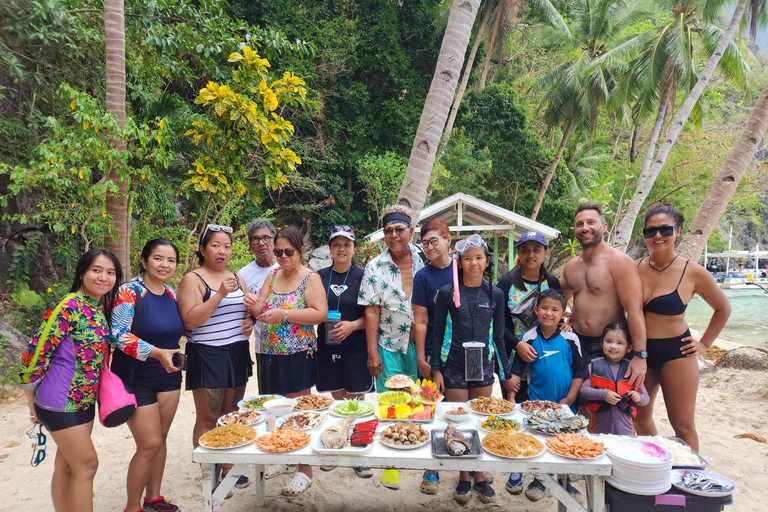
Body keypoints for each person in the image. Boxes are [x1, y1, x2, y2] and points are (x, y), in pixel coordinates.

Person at [20, 249, 122, 512]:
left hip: (84, 402)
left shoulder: (98, 308)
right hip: (59, 403)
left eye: (110, 273)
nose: (103, 277)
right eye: (96, 270)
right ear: (82, 273)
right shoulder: (70, 306)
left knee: (67, 466)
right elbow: (36, 351)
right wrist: (30, 400)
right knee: (87, 466)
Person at [633, 205, 730, 451]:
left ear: (677, 231)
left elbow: (723, 308)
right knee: (640, 419)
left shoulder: (693, 272)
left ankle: (691, 480)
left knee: (683, 426)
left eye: (665, 229)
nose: (657, 236)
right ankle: (656, 463)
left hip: (677, 353)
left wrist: (705, 344)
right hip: (640, 353)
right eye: (651, 230)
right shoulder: (633, 268)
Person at [432, 234, 516, 505]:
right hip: (454, 365)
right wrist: (436, 370)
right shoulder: (446, 294)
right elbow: (437, 335)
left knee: (479, 421)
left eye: (479, 258)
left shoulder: (496, 294)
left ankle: (479, 475)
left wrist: (505, 374)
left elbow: (499, 337)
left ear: (487, 261)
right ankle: (463, 477)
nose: (473, 263)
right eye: (467, 258)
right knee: (460, 421)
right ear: (459, 262)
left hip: (483, 367)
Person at [244, 226, 327, 496]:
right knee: (275, 410)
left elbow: (320, 314)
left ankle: (306, 469)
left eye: (288, 251)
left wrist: (285, 314)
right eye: (278, 251)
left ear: (301, 251)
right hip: (268, 351)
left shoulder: (310, 277)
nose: (282, 256)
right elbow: (261, 310)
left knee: (300, 412)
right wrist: (251, 301)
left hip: (297, 352)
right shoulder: (273, 274)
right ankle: (287, 458)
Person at [176, 224, 252, 491]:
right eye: (216, 245)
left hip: (237, 352)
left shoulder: (236, 277)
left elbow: (244, 311)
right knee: (208, 418)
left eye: (227, 246)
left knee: (232, 413)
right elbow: (190, 321)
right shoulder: (192, 279)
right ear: (202, 249)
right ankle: (210, 473)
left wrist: (250, 319)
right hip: (207, 353)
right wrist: (219, 294)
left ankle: (228, 467)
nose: (222, 251)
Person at [110, 239, 185, 512]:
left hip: (168, 376)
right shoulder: (129, 291)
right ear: (144, 261)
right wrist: (156, 353)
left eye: (171, 260)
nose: (164, 265)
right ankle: (132, 507)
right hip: (134, 376)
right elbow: (118, 335)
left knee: (161, 437)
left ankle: (153, 497)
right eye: (157, 258)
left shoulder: (172, 293)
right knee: (149, 443)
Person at [358, 205, 426, 490]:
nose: (394, 235)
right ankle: (391, 464)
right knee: (390, 405)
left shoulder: (427, 259)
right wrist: (372, 353)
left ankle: (424, 463)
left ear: (411, 231)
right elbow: (372, 312)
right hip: (388, 343)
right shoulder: (375, 266)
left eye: (400, 229)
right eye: (389, 231)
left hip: (422, 345)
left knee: (422, 403)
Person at [495, 230, 561, 496]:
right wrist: (518, 344)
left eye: (537, 249)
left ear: (545, 253)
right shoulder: (505, 283)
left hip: (545, 360)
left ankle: (541, 474)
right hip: (512, 357)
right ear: (518, 253)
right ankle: (517, 466)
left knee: (543, 412)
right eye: (525, 249)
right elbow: (497, 326)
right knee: (517, 412)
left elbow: (558, 315)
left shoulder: (552, 282)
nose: (531, 255)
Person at [508, 289, 587, 501]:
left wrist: (569, 399)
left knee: (563, 441)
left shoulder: (571, 338)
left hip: (564, 403)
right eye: (544, 308)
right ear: (535, 310)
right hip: (537, 402)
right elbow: (517, 369)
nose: (548, 313)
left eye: (554, 309)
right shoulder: (530, 337)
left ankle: (564, 479)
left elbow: (580, 372)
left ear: (563, 314)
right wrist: (511, 396)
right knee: (537, 439)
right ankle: (536, 478)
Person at [560, 202, 647, 390]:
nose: (585, 228)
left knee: (610, 405)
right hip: (577, 342)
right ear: (574, 229)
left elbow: (634, 310)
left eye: (591, 222)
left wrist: (640, 356)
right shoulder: (571, 266)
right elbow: (558, 301)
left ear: (604, 227)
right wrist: (565, 320)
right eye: (580, 224)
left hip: (610, 346)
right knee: (580, 401)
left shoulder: (619, 262)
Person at [315, 225, 373, 479]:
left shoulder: (363, 275)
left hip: (356, 346)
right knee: (338, 402)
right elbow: (311, 307)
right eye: (336, 244)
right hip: (327, 345)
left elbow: (372, 314)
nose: (341, 249)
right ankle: (338, 446)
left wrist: (353, 325)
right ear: (330, 248)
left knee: (356, 402)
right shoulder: (318, 276)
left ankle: (358, 450)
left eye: (347, 244)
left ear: (354, 249)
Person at [411, 219, 453, 495]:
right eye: (425, 243)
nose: (429, 247)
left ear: (448, 240)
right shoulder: (423, 277)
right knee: (429, 409)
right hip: (431, 349)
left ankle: (473, 472)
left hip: (461, 353)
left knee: (462, 411)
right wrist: (421, 358)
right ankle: (431, 469)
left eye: (434, 240)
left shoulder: (464, 269)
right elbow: (421, 320)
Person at [579, 322, 649, 435]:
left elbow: (646, 398)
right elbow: (583, 391)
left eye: (620, 343)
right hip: (598, 428)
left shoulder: (633, 370)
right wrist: (604, 394)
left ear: (629, 348)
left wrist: (638, 397)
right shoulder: (593, 366)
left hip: (625, 429)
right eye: (609, 341)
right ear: (602, 343)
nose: (613, 346)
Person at [237, 219, 279, 391]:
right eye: (256, 239)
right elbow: (243, 311)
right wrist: (250, 319)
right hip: (264, 345)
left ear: (275, 239)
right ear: (250, 245)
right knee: (269, 395)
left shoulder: (286, 266)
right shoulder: (243, 275)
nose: (261, 243)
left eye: (266, 238)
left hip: (293, 343)